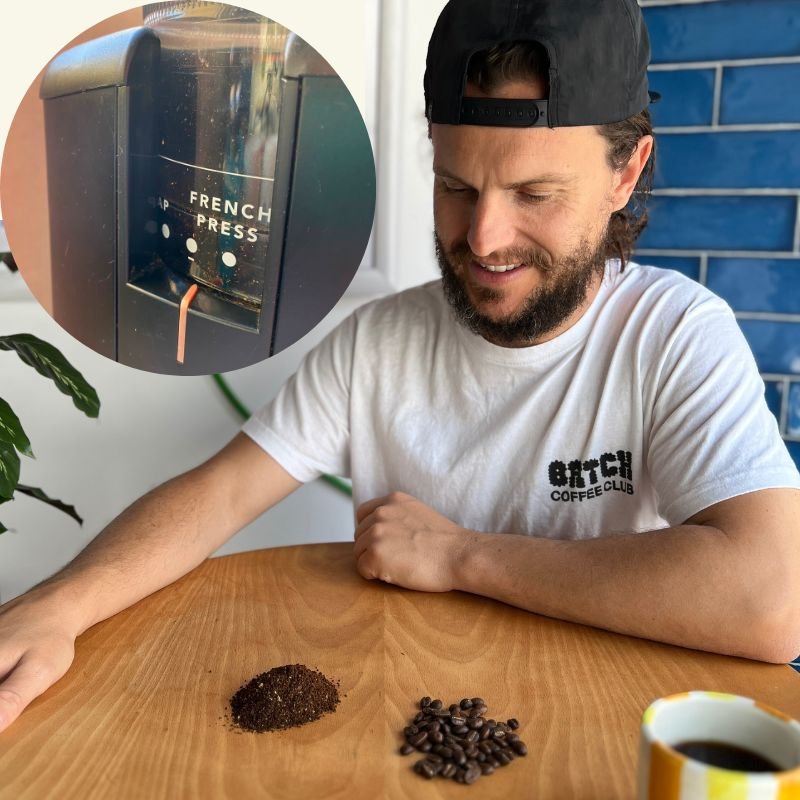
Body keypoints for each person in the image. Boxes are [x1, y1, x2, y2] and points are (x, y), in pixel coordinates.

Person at [0, 0, 798, 733]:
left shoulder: (676, 335)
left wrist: (460, 556)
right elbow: (220, 494)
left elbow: (771, 600)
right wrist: (55, 608)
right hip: (411, 725)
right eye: (456, 186)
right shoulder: (376, 342)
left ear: (624, 175)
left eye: (534, 194)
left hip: (603, 733)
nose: (483, 239)